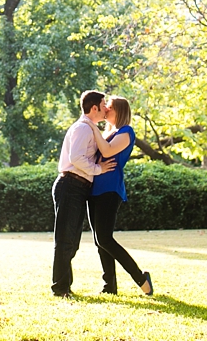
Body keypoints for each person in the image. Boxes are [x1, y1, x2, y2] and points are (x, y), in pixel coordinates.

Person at [85, 95, 153, 296]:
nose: (105, 110)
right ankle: (110, 286)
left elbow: (107, 152)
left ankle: (140, 278)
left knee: (105, 238)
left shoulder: (126, 132)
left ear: (120, 111)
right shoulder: (107, 133)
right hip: (94, 188)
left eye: (110, 108)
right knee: (100, 240)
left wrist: (91, 126)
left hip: (110, 188)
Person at [51, 90, 116, 297]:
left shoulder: (90, 128)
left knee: (72, 241)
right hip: (71, 184)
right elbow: (77, 158)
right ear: (94, 107)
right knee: (65, 240)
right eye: (104, 104)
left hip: (78, 187)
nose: (106, 108)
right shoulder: (83, 128)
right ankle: (60, 289)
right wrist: (99, 170)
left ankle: (64, 286)